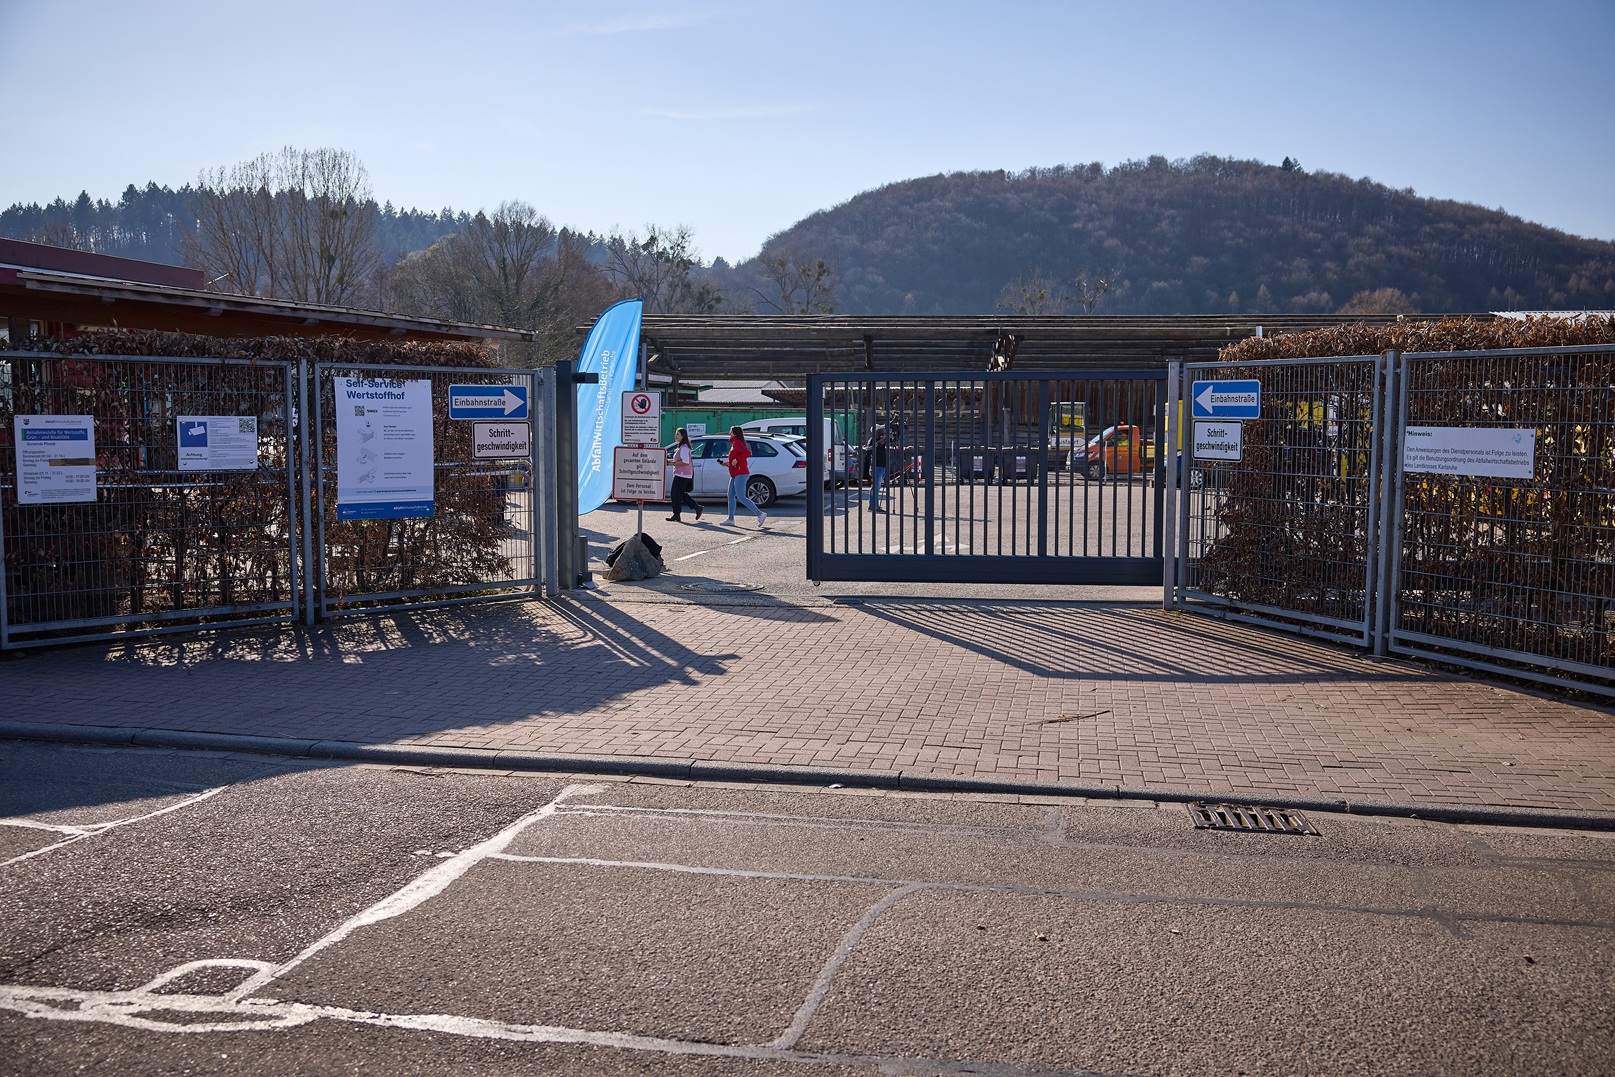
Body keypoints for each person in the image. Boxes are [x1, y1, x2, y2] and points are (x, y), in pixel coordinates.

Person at [720, 426, 767, 527]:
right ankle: (730, 519)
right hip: (735, 473)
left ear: (735, 433)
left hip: (741, 473)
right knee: (730, 495)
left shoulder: (737, 443)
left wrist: (736, 460)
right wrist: (728, 463)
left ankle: (760, 514)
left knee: (741, 497)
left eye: (731, 432)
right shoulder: (735, 443)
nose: (729, 433)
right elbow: (736, 458)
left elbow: (747, 453)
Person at [666, 427, 702, 522]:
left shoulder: (684, 448)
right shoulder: (681, 447)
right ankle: (696, 508)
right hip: (682, 474)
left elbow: (685, 461)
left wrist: (672, 463)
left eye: (678, 434)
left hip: (683, 474)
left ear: (683, 436)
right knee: (679, 494)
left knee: (675, 494)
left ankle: (677, 514)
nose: (676, 436)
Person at [867, 426, 889, 513]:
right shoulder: (873, 440)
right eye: (880, 430)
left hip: (881, 466)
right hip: (876, 466)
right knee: (875, 487)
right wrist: (878, 444)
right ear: (876, 431)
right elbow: (868, 450)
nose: (882, 431)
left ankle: (873, 505)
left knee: (877, 487)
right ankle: (874, 506)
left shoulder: (880, 439)